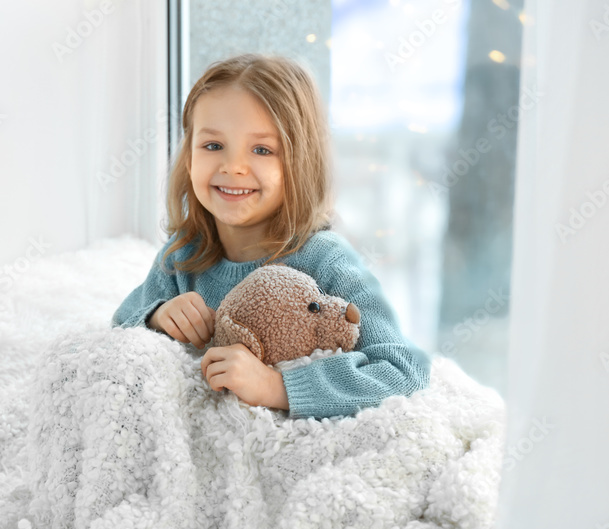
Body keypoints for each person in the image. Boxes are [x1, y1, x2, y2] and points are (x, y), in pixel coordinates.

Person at [112, 53, 430, 420]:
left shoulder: (325, 260)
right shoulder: (185, 254)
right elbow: (121, 326)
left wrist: (278, 388)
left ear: (299, 163)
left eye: (262, 150)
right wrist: (157, 315)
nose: (233, 166)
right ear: (188, 157)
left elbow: (403, 369)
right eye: (213, 145)